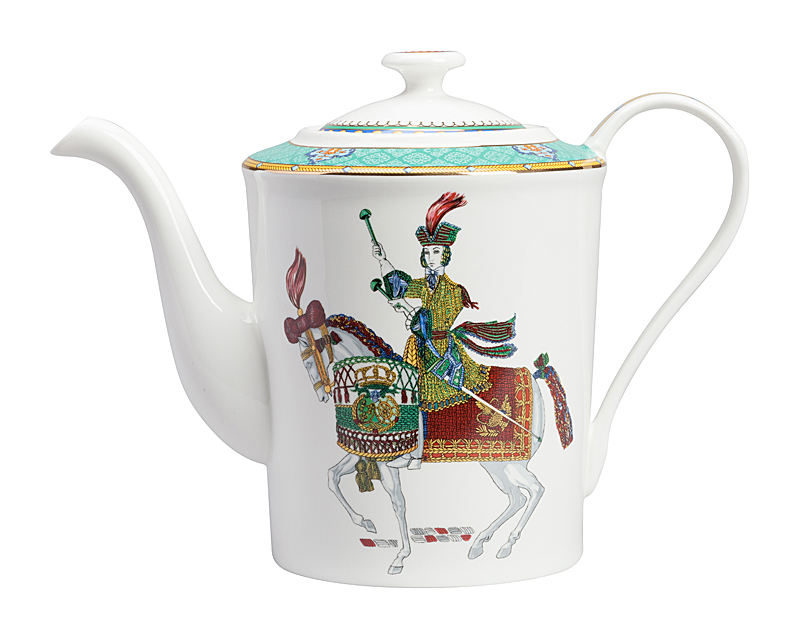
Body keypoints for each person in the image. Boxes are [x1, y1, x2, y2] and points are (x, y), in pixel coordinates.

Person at [371, 192, 517, 469]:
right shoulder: (425, 284)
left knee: (421, 398)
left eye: (436, 251)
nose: (430, 257)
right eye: (427, 252)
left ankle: (418, 454)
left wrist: (412, 314)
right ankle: (411, 450)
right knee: (409, 396)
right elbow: (399, 287)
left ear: (446, 254)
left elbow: (434, 321)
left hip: (439, 350)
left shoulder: (453, 291)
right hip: (419, 347)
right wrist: (383, 260)